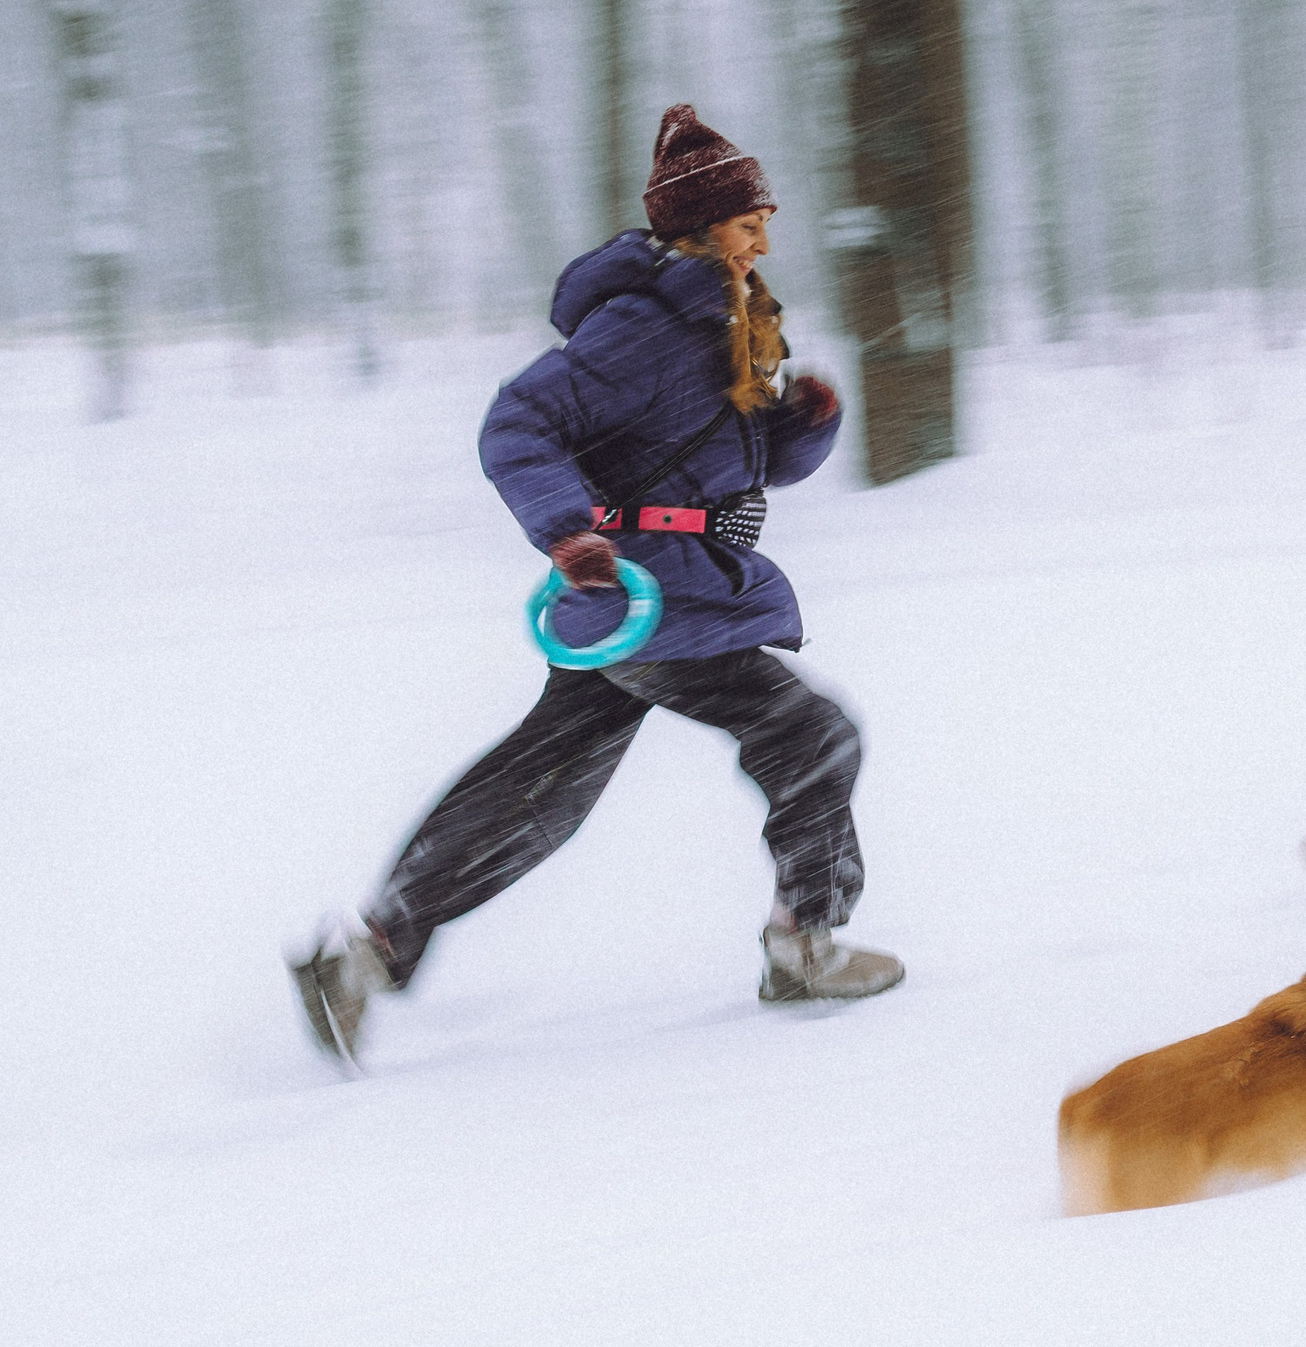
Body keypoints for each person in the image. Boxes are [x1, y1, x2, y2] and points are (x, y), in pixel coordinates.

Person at [290, 104, 901, 1065]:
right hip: (657, 600)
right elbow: (517, 424)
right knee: (811, 734)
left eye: (766, 218)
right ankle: (804, 945)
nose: (765, 238)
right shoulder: (645, 328)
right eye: (749, 223)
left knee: (541, 785)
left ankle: (366, 954)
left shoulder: (728, 317)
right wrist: (570, 533)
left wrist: (806, 423)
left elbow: (738, 468)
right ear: (698, 230)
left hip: (649, 602)